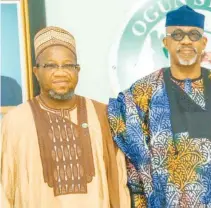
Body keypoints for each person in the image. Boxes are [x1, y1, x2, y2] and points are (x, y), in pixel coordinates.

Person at [107, 5, 211, 207]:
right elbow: (133, 164)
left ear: (204, 42)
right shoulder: (141, 95)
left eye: (194, 34)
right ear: (166, 42)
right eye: (177, 35)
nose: (186, 40)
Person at [0, 26, 130, 208]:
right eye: (50, 65)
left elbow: (119, 181)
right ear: (36, 72)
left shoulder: (104, 115)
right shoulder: (16, 121)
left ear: (78, 70)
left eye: (68, 65)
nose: (60, 72)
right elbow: (4, 189)